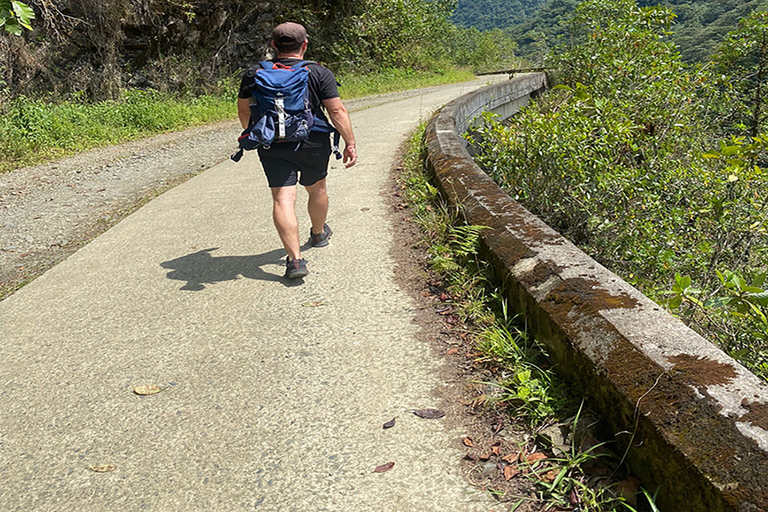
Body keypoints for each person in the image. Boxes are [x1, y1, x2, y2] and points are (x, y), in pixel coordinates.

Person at [237, 22, 357, 279]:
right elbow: (336, 111)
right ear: (305, 44)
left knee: (283, 199)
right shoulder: (319, 72)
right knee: (317, 188)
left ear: (273, 46)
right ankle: (318, 233)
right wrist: (350, 143)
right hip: (313, 142)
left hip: (272, 144)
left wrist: (257, 133)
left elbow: (244, 110)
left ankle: (295, 261)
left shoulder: (254, 73)